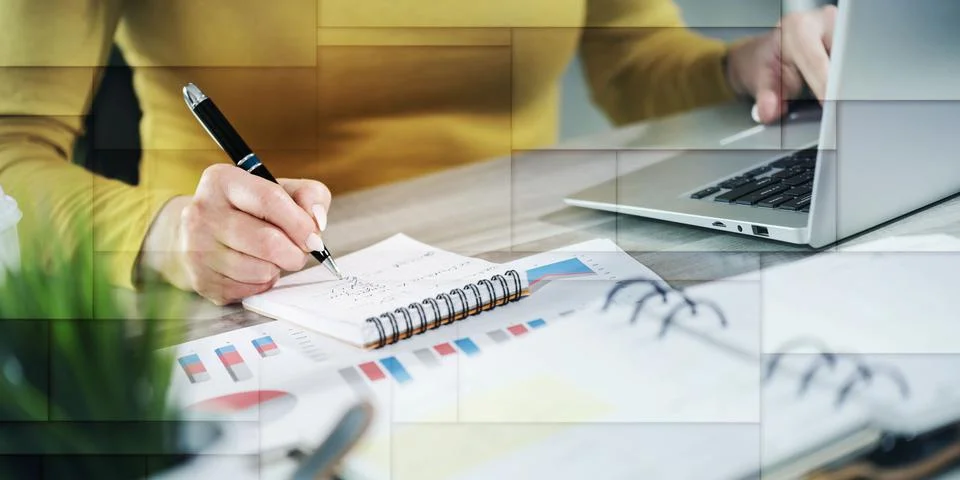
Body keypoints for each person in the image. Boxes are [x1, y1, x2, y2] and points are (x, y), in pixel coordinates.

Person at [0, 1, 836, 305]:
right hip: (236, 298)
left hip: (522, 270)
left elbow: (631, 60)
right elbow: (12, 152)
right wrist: (167, 232)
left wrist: (741, 67)